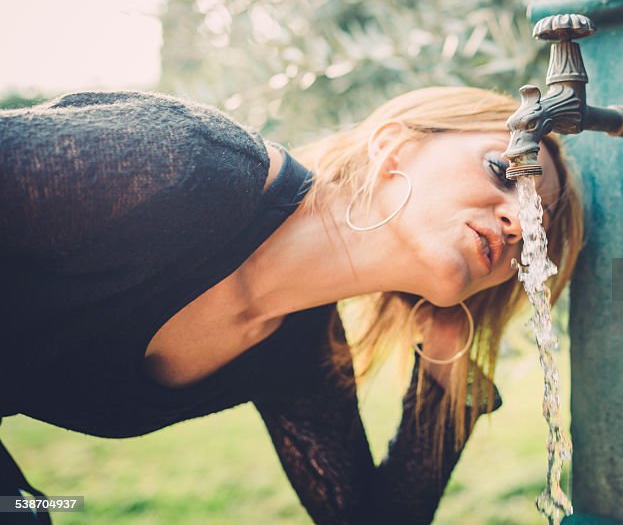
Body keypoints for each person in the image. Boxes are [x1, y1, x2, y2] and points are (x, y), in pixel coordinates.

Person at [0, 86, 584, 524]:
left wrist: (444, 364)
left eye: (537, 227)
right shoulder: (192, 163)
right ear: (394, 148)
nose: (518, 223)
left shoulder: (300, 352)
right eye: (504, 171)